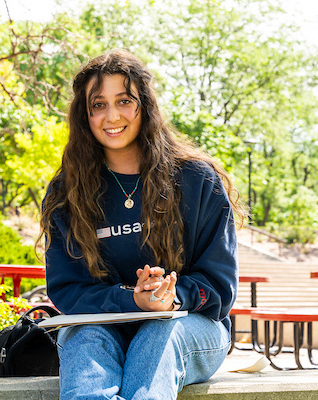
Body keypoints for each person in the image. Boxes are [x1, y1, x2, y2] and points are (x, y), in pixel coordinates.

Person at [37, 49, 245, 400]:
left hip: (188, 326)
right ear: (84, 115)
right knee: (83, 339)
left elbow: (220, 287)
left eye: (124, 101)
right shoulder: (66, 192)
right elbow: (68, 290)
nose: (112, 115)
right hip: (102, 328)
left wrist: (169, 297)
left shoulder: (196, 180)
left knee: (156, 336)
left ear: (144, 105)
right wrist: (131, 299)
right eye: (98, 104)